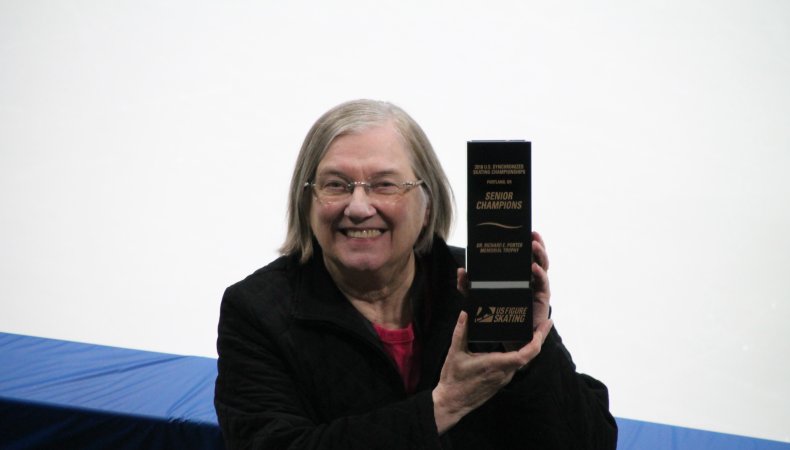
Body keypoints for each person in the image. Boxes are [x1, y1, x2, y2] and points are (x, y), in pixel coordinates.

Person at [214, 99, 617, 449]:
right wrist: (443, 405)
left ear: (427, 203)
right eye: (336, 185)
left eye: (384, 185)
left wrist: (532, 346)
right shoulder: (257, 312)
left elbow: (589, 442)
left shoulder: (475, 285)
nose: (357, 207)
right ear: (307, 202)